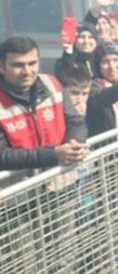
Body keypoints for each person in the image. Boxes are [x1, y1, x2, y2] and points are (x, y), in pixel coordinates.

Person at [0, 36, 88, 184]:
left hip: (61, 181)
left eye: (32, 63)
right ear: (2, 67)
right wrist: (53, 155)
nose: (27, 71)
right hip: (20, 194)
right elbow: (2, 156)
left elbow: (75, 122)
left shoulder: (51, 83)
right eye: (18, 65)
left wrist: (73, 146)